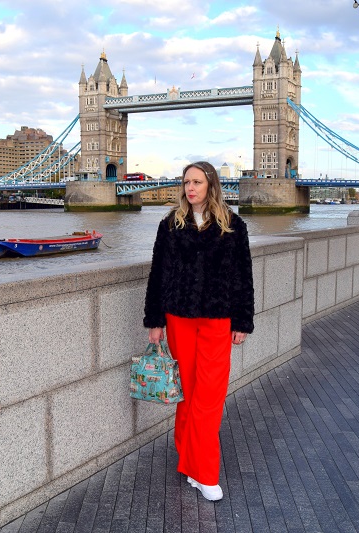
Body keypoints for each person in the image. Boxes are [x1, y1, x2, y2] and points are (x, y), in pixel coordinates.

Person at [143, 161, 254, 502]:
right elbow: (158, 274)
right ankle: (190, 463)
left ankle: (205, 472)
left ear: (211, 185)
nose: (190, 188)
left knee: (210, 397)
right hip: (179, 317)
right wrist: (155, 320)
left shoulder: (233, 225)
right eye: (186, 182)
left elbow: (243, 275)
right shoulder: (170, 224)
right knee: (187, 395)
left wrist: (242, 321)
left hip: (218, 320)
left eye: (197, 182)